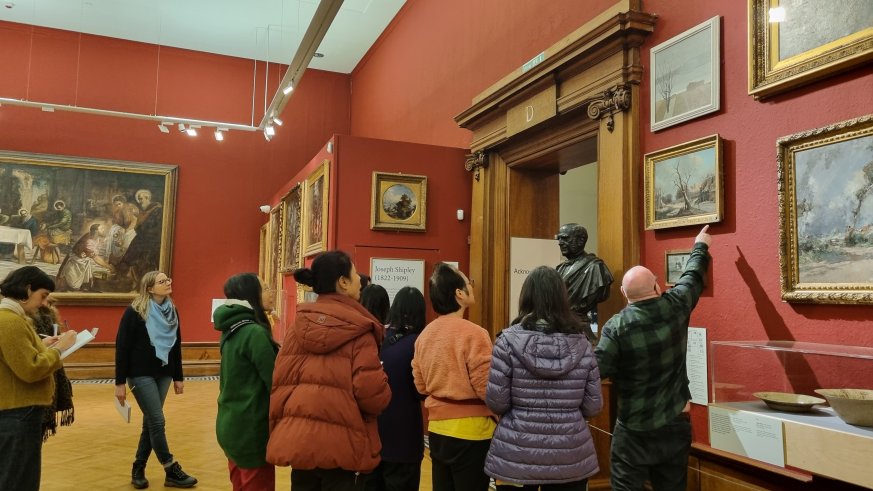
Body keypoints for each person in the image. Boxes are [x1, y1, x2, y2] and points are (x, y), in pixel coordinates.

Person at [595, 225, 712, 491]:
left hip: (634, 429)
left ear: (624, 295)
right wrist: (700, 244)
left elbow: (597, 369)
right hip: (675, 423)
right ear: (658, 286)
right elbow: (692, 276)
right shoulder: (676, 306)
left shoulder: (616, 327)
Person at [268, 250, 391, 491]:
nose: (360, 280)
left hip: (300, 443)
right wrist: (384, 385)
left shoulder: (297, 328)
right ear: (343, 282)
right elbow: (372, 396)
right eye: (355, 274)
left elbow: (280, 384)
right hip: (343, 449)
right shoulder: (360, 330)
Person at [484, 266, 602, 491]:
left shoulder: (507, 342)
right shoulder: (583, 345)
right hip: (570, 453)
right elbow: (593, 406)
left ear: (526, 297)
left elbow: (496, 402)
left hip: (517, 451)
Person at [412, 263, 493, 491]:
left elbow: (420, 385)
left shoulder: (424, 335)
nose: (472, 287)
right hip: (472, 431)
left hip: (437, 428)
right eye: (469, 283)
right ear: (459, 293)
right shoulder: (475, 334)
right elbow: (486, 388)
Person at [115, 271, 198, 489]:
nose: (168, 283)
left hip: (165, 373)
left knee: (150, 422)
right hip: (140, 374)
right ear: (150, 288)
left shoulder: (172, 311)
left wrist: (179, 377)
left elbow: (176, 346)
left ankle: (138, 468)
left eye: (168, 280)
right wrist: (119, 383)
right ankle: (170, 467)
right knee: (158, 421)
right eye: (162, 281)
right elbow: (122, 348)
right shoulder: (135, 311)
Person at [0, 266, 77, 491]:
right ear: (27, 289)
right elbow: (30, 369)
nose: (44, 303)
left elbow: (17, 356)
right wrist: (59, 350)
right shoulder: (10, 321)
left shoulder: (14, 318)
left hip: (18, 411)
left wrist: (41, 345)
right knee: (18, 480)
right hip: (18, 413)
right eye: (42, 295)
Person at [213, 273, 280, 490]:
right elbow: (275, 383)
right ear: (251, 295)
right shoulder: (254, 332)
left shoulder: (234, 327)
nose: (271, 293)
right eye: (265, 288)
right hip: (251, 427)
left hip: (232, 422)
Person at [368, 286, 427, 491]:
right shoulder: (417, 344)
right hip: (405, 438)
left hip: (372, 434)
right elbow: (420, 390)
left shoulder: (375, 337)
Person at [555, 223, 614, 341]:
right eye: (559, 238)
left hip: (579, 330)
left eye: (565, 238)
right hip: (560, 327)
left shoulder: (596, 268)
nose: (560, 242)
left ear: (581, 240)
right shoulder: (560, 268)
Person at [28, 293, 75, 440]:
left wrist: (58, 341)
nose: (45, 302)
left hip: (49, 374)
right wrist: (45, 344)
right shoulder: (20, 319)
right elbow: (29, 354)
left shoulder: (48, 315)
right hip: (33, 384)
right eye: (43, 296)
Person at [55, 223, 113, 292]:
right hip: (75, 262)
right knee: (72, 285)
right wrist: (109, 267)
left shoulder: (93, 237)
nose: (103, 231)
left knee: (85, 283)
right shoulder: (88, 241)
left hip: (84, 261)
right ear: (95, 232)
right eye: (101, 230)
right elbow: (96, 258)